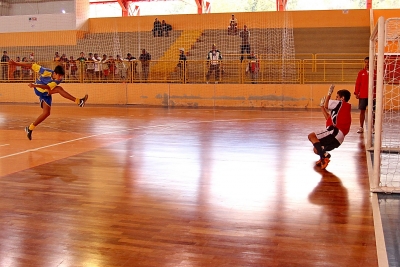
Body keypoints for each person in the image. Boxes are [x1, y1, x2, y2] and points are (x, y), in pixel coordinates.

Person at [8, 60, 88, 140]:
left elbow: (48, 87)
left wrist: (34, 85)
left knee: (46, 113)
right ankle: (79, 101)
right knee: (59, 89)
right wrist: (16, 63)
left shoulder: (58, 80)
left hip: (45, 90)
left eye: (61, 76)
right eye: (59, 76)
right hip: (39, 90)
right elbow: (31, 65)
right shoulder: (46, 71)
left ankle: (29, 128)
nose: (60, 78)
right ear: (55, 73)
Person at [308, 85, 352, 170]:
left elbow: (327, 105)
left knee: (311, 136)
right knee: (316, 149)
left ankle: (323, 158)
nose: (335, 98)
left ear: (342, 98)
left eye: (337, 97)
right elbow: (328, 117)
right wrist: (322, 107)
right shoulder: (343, 109)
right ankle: (325, 156)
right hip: (339, 138)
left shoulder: (340, 103)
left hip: (336, 132)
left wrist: (329, 94)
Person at [354, 56, 370, 133]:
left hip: (373, 96)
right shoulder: (361, 72)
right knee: (362, 111)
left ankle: (373, 127)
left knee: (373, 112)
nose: (367, 64)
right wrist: (356, 92)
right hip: (363, 95)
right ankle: (361, 127)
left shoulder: (376, 72)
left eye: (368, 62)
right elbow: (358, 83)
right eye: (366, 62)